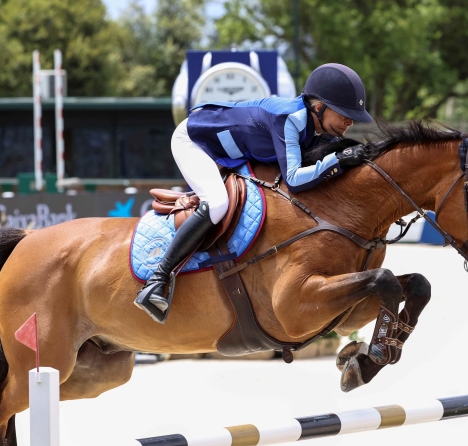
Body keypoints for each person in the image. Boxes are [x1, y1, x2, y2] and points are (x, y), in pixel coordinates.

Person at [134, 63, 374, 323]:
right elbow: (294, 179)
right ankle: (156, 281)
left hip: (230, 151)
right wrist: (337, 160)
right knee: (217, 204)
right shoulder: (290, 118)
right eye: (344, 114)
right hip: (193, 141)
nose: (350, 121)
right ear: (319, 107)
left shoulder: (315, 126)